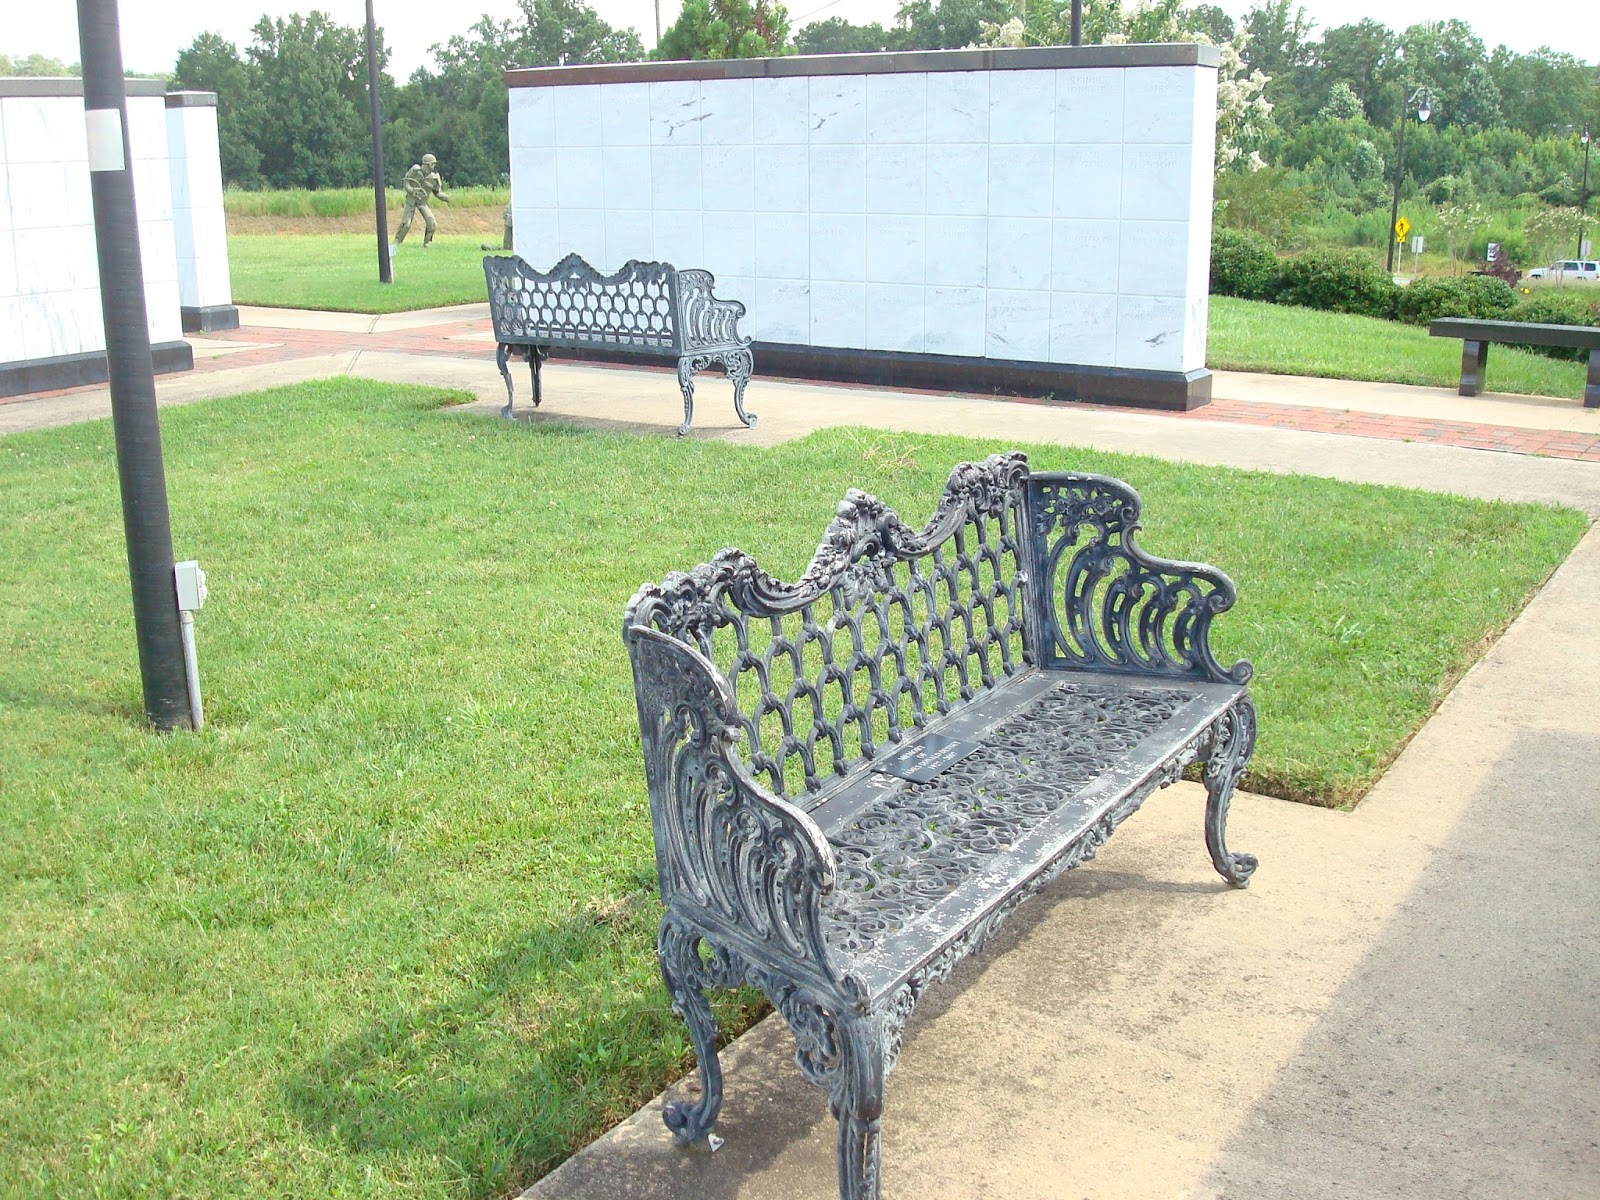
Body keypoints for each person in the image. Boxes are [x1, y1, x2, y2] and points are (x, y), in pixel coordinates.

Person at [394, 153, 449, 246]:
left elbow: (437, 193)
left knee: (431, 223)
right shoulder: (415, 170)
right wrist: (412, 191)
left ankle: (427, 243)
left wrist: (449, 198)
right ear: (429, 164)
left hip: (422, 203)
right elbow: (406, 182)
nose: (434, 166)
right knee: (406, 224)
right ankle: (396, 242)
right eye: (433, 163)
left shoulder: (434, 177)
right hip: (411, 201)